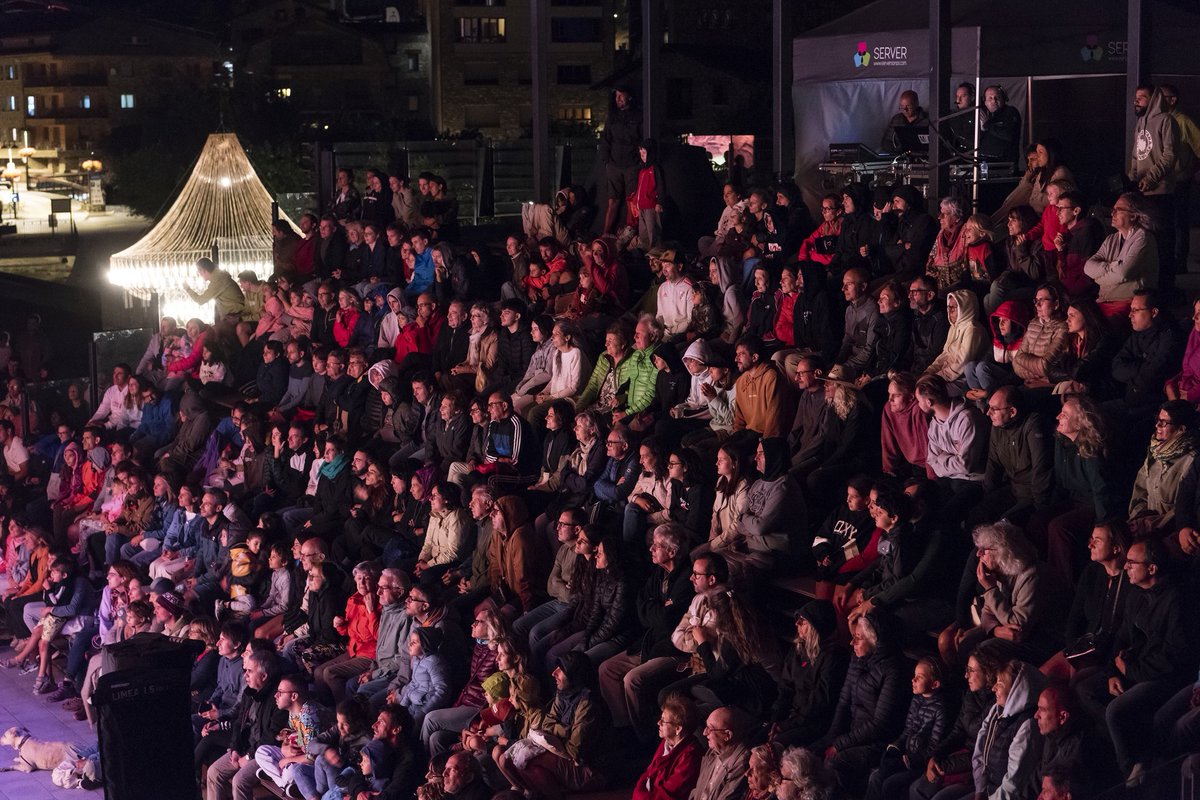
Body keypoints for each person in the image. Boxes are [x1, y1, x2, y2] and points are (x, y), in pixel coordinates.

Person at [1078, 539, 1191, 786]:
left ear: (1152, 568)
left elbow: (1176, 656)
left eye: (1132, 563)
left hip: (1163, 675)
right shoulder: (1136, 595)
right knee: (1084, 689)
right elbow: (1123, 638)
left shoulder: (1176, 600)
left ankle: (1133, 778)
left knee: (1116, 711)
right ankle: (1136, 751)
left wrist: (1131, 670)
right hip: (1133, 667)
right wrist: (1112, 673)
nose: (1125, 567)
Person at [814, 612, 907, 796]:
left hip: (877, 742)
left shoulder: (893, 670)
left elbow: (880, 724)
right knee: (811, 752)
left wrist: (839, 744)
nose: (851, 643)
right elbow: (843, 702)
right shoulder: (858, 659)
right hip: (853, 735)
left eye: (857, 638)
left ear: (874, 640)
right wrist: (831, 737)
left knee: (834, 762)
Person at [769, 600, 849, 748]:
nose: (796, 624)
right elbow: (786, 686)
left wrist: (787, 725)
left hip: (814, 721)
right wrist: (776, 717)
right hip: (793, 716)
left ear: (816, 626)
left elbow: (820, 701)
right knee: (760, 735)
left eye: (802, 621)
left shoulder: (834, 658)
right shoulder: (798, 649)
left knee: (775, 746)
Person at [970, 660, 1048, 800]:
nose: (993, 688)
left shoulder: (1028, 725)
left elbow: (1014, 783)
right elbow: (980, 750)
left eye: (1000, 684)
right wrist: (979, 790)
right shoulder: (996, 710)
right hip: (988, 791)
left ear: (1016, 690)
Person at [1130, 85, 1180, 291]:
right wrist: (1132, 178)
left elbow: (1169, 155)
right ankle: (1150, 286)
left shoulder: (1167, 121)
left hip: (1161, 193)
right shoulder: (1140, 122)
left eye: (1142, 97)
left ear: (1154, 100)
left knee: (1164, 243)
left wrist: (1151, 178)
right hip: (1142, 194)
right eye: (1136, 97)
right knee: (1146, 242)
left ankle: (1167, 288)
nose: (1137, 101)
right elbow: (1136, 156)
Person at [1084, 193, 1159, 317]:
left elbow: (1123, 273)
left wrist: (1099, 277)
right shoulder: (1111, 239)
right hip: (1105, 301)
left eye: (1118, 210)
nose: (1112, 214)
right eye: (1113, 210)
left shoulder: (1143, 238)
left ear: (1133, 215)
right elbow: (1087, 267)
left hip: (1130, 305)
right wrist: (1113, 266)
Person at [634, 694, 703, 800]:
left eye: (663, 721)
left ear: (678, 728)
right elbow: (649, 773)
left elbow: (669, 794)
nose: (658, 723)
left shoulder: (690, 755)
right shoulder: (666, 742)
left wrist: (641, 796)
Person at [600, 87, 642, 235]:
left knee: (631, 202)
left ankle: (630, 232)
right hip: (614, 164)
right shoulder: (613, 117)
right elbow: (606, 139)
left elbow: (642, 139)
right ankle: (606, 233)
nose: (618, 99)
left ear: (629, 96)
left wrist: (639, 161)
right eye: (616, 95)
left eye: (621, 95)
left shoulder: (638, 116)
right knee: (613, 201)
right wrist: (607, 160)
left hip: (632, 164)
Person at [690, 706, 750, 800]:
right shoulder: (711, 752)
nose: (704, 733)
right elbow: (697, 791)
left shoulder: (741, 764)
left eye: (710, 729)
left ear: (727, 735)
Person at [186, 258, 246, 325]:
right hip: (234, 314)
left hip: (236, 316)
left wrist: (187, 289)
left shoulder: (218, 280)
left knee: (215, 331)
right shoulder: (219, 276)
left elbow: (200, 300)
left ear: (204, 270)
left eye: (199, 272)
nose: (199, 275)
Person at [978, 85, 1022, 167]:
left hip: (1005, 164)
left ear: (1003, 99)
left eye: (997, 97)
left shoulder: (1010, 112)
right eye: (990, 98)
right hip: (985, 163)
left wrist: (988, 125)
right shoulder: (983, 116)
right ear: (985, 102)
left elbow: (1009, 135)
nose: (994, 101)